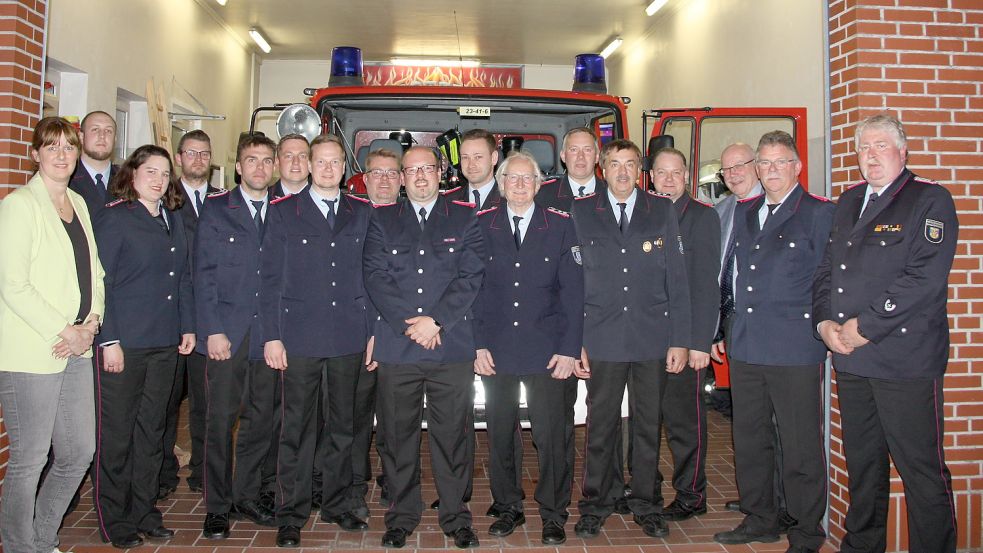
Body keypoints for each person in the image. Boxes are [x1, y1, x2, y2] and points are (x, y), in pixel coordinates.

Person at [813, 114, 958, 553]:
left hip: (904, 360)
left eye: (880, 146)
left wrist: (865, 327)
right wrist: (823, 324)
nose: (871, 156)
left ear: (903, 150)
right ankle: (862, 546)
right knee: (863, 466)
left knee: (921, 471)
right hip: (851, 358)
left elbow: (924, 278)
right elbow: (826, 271)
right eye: (863, 148)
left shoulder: (928, 200)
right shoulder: (850, 200)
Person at [712, 131, 833, 553]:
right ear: (757, 170)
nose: (771, 170)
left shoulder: (819, 213)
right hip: (745, 343)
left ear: (797, 167)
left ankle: (805, 530)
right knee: (750, 439)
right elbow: (732, 277)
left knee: (800, 447)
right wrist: (720, 329)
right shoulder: (747, 214)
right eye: (764, 162)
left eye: (780, 162)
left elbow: (829, 280)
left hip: (794, 346)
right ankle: (760, 517)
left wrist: (826, 326)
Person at [363, 146, 485, 549]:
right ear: (400, 177)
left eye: (426, 169)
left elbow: (470, 276)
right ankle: (402, 515)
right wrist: (409, 325)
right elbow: (375, 276)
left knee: (453, 437)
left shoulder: (466, 216)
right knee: (397, 438)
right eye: (410, 170)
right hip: (399, 348)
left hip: (449, 347)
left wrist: (436, 322)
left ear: (440, 173)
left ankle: (455, 515)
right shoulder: (381, 219)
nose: (419, 176)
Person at [571, 139, 691, 540]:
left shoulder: (662, 209)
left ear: (640, 169)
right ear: (602, 168)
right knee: (600, 425)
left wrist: (679, 339)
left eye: (630, 164)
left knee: (646, 425)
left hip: (650, 338)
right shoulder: (582, 211)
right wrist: (577, 340)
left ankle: (645, 502)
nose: (622, 172)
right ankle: (595, 503)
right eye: (615, 164)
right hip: (600, 337)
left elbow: (677, 278)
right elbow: (572, 282)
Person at [261, 134, 374, 547]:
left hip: (348, 335)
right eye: (321, 162)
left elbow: (371, 277)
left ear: (344, 169)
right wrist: (271, 336)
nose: (328, 170)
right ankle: (291, 511)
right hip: (299, 337)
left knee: (343, 426)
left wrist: (372, 334)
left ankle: (337, 502)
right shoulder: (284, 212)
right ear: (308, 166)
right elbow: (269, 279)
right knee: (297, 428)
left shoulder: (361, 213)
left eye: (335, 163)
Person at [0, 116, 104, 553]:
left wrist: (92, 324)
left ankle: (43, 538)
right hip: (34, 351)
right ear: (35, 154)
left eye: (68, 147)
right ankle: (20, 545)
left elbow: (95, 272)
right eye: (52, 147)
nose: (62, 154)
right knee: (29, 460)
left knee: (79, 451)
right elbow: (12, 284)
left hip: (77, 349)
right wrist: (65, 330)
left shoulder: (78, 203)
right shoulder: (19, 205)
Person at [472, 151, 584, 545]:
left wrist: (570, 349)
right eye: (512, 179)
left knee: (552, 436)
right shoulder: (481, 224)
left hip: (548, 350)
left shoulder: (561, 226)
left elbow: (573, 292)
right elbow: (473, 291)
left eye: (527, 179)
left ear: (540, 185)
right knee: (500, 434)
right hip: (497, 350)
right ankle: (508, 507)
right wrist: (478, 344)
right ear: (500, 185)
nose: (519, 185)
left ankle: (554, 513)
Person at [92, 144, 196, 549]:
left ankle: (144, 510)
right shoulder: (116, 218)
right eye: (149, 170)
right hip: (125, 344)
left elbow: (182, 278)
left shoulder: (173, 220)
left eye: (164, 172)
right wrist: (109, 338)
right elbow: (102, 283)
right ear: (131, 174)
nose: (157, 179)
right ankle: (113, 518)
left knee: (153, 432)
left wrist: (186, 326)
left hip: (164, 341)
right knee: (118, 434)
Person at [195, 134, 278, 539]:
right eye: (251, 160)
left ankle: (245, 496)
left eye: (266, 161)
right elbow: (203, 275)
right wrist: (212, 329)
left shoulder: (283, 211)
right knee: (221, 421)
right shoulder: (216, 210)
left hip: (268, 336)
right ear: (238, 167)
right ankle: (216, 506)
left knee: (261, 420)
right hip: (226, 334)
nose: (259, 168)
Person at [712, 143, 793, 530]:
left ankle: (780, 503)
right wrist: (715, 327)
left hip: (776, 334)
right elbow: (719, 272)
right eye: (726, 169)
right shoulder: (725, 210)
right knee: (749, 422)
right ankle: (757, 498)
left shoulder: (778, 208)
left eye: (741, 165)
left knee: (778, 425)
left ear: (757, 168)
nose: (733, 173)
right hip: (734, 326)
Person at [648, 147, 720, 521]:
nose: (669, 179)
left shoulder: (702, 219)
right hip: (646, 341)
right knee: (643, 423)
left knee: (683, 424)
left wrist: (699, 343)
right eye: (662, 172)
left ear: (687, 176)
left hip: (683, 341)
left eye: (676, 173)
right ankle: (646, 489)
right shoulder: (645, 213)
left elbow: (706, 285)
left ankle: (692, 495)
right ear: (651, 177)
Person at [159, 129, 219, 499]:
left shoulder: (223, 201)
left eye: (204, 154)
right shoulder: (161, 198)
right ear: (178, 158)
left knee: (205, 401)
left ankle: (202, 471)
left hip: (206, 317)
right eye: (191, 153)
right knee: (165, 404)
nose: (198, 160)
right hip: (168, 319)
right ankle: (163, 473)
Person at [259, 132, 313, 510]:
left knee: (314, 418)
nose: (295, 163)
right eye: (288, 156)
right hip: (273, 330)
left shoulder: (334, 203)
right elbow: (267, 278)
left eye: (302, 156)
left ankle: (313, 485)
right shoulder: (267, 203)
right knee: (270, 417)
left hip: (316, 336)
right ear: (278, 161)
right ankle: (269, 487)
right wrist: (270, 334)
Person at [350, 147, 401, 516]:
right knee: (354, 415)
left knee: (396, 418)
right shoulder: (351, 218)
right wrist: (369, 331)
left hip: (400, 336)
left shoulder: (415, 218)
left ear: (400, 178)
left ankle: (393, 480)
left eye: (390, 173)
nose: (383, 180)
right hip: (357, 335)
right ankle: (354, 481)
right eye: (376, 173)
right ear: (364, 180)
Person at [535, 127, 606, 210]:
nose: (580, 156)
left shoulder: (612, 192)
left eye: (587, 150)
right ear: (563, 156)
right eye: (573, 150)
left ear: (597, 157)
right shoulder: (541, 195)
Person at [68, 111, 118, 220]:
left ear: (115, 139)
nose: (102, 136)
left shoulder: (128, 181)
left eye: (108, 131)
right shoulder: (66, 179)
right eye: (95, 129)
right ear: (81, 137)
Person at [443, 129, 502, 210]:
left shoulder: (510, 200)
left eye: (478, 157)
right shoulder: (447, 202)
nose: (471, 165)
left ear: (494, 158)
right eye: (465, 157)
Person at [272, 133, 311, 198]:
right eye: (289, 156)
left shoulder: (326, 198)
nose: (296, 162)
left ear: (310, 163)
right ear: (277, 162)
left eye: (302, 156)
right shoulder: (264, 199)